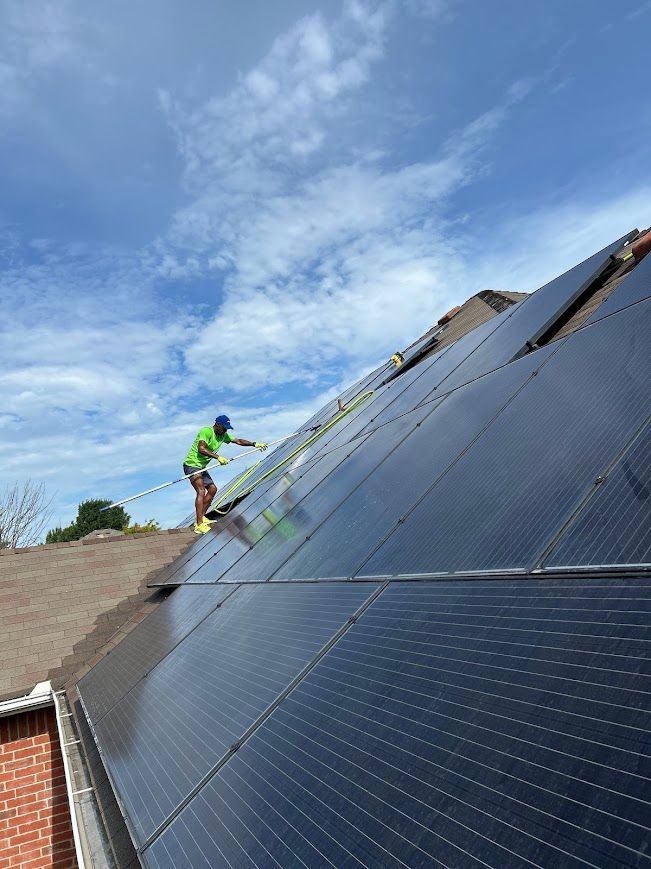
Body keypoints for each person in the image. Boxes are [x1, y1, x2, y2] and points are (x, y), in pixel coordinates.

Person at [183, 414, 267, 534]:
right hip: (191, 465)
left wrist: (254, 444)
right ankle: (199, 524)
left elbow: (238, 441)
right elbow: (201, 448)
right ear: (217, 425)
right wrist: (218, 457)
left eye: (227, 428)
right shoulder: (206, 431)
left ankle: (202, 517)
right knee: (201, 491)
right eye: (224, 427)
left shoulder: (223, 435)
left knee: (212, 489)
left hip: (201, 467)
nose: (225, 430)